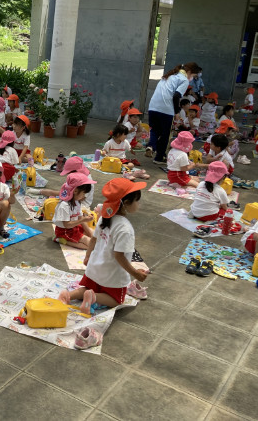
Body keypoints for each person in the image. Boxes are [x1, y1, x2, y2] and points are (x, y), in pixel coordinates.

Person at [58, 178, 149, 312]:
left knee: (86, 289)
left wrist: (88, 257)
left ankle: (68, 295)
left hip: (94, 269)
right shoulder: (125, 228)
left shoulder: (104, 217)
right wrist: (135, 273)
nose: (138, 204)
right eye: (137, 201)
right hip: (112, 275)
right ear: (127, 203)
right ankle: (93, 297)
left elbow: (93, 239)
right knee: (116, 300)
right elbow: (119, 256)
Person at [147, 62, 200, 163]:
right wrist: (177, 111)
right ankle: (159, 157)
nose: (192, 78)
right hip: (166, 109)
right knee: (165, 135)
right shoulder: (184, 80)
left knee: (154, 130)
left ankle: (151, 146)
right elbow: (176, 96)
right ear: (189, 72)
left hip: (153, 106)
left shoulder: (169, 75)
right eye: (193, 75)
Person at [52, 173, 96, 250]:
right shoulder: (64, 206)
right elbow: (67, 225)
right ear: (75, 191)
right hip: (65, 231)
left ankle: (85, 238)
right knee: (91, 245)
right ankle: (61, 240)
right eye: (83, 193)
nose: (84, 196)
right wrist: (83, 220)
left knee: (95, 236)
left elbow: (80, 218)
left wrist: (89, 232)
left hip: (74, 227)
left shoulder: (77, 202)